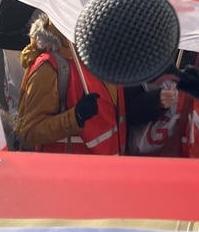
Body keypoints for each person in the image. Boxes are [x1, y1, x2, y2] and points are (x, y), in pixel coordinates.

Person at [15, 13, 126, 155]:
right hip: (69, 173)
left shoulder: (102, 57)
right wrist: (76, 117)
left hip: (106, 170)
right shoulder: (49, 67)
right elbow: (30, 132)